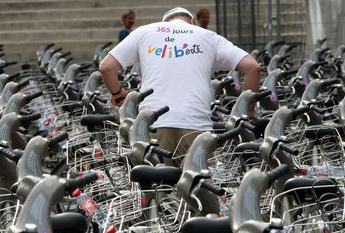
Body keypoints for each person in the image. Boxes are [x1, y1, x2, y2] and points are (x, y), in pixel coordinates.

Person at [100, 7, 261, 167]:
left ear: (165, 23)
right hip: (196, 126)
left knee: (158, 188)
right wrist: (248, 113)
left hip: (154, 124)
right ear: (192, 22)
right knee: (197, 188)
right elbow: (252, 67)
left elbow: (106, 67)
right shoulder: (207, 36)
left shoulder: (145, 32)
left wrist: (117, 93)